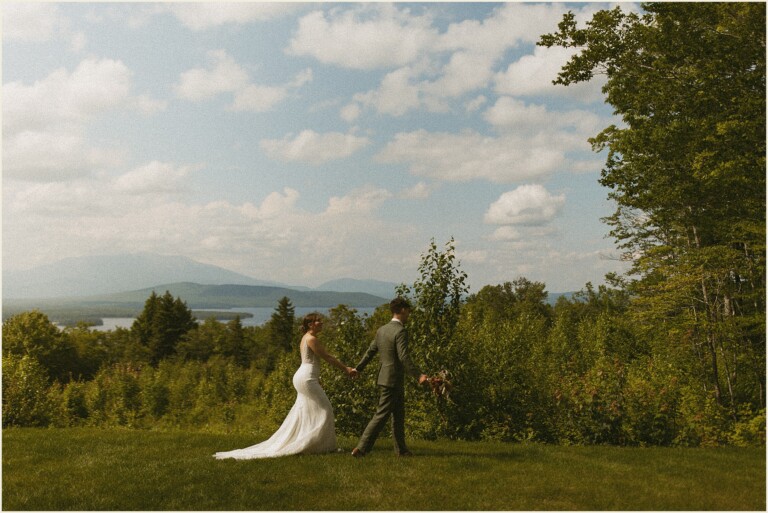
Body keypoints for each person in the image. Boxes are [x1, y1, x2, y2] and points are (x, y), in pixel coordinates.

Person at [214, 313, 357, 459]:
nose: (321, 323)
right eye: (318, 321)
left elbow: (310, 361)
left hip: (305, 377)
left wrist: (316, 378)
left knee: (306, 412)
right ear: (310, 325)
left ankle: (315, 445)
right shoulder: (312, 339)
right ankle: (324, 447)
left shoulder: (305, 338)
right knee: (325, 409)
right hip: (306, 378)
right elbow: (327, 357)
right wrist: (346, 369)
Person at [351, 297, 428, 457]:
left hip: (386, 378)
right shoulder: (400, 331)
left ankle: (402, 450)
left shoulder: (382, 330)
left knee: (399, 416)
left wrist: (358, 368)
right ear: (402, 310)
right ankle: (361, 448)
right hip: (392, 380)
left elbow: (370, 351)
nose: (409, 314)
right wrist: (418, 375)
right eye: (408, 311)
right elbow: (404, 357)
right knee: (382, 415)